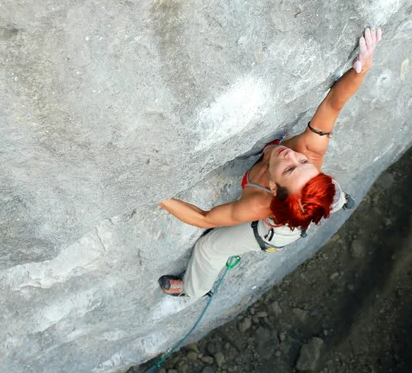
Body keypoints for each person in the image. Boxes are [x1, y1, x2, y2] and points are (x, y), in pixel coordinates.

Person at [158, 27, 382, 297]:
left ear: (274, 188)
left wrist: (156, 195)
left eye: (289, 168)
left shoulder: (258, 204)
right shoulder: (310, 149)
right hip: (303, 194)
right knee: (325, 192)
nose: (293, 156)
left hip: (277, 230)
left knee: (209, 249)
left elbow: (204, 219)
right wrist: (363, 68)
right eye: (303, 163)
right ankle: (338, 200)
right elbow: (334, 103)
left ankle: (193, 290)